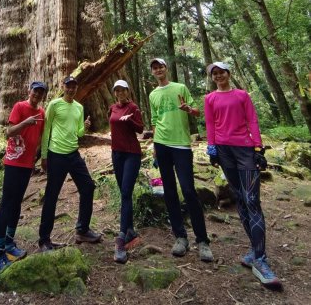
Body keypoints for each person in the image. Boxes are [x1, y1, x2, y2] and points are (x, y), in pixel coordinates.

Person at [204, 62, 281, 288]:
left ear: (229, 73)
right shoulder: (210, 99)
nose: (218, 76)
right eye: (214, 73)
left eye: (222, 72)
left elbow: (252, 120)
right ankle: (254, 251)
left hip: (245, 149)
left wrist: (258, 148)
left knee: (252, 200)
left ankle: (260, 259)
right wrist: (211, 147)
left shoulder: (242, 95)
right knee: (239, 198)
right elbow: (210, 123)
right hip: (224, 151)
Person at [149, 58, 213, 262]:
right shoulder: (152, 94)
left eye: (161, 67)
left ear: (166, 69)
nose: (158, 70)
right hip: (161, 144)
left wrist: (188, 109)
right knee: (169, 191)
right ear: (153, 72)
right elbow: (155, 121)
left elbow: (196, 111)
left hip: (181, 145)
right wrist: (155, 147)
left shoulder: (180, 87)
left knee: (188, 190)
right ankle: (180, 237)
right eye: (155, 68)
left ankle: (202, 241)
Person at [38, 75, 101, 251]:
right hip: (56, 155)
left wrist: (85, 127)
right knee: (51, 196)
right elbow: (46, 130)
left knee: (88, 187)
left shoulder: (79, 107)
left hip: (73, 154)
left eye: (74, 86)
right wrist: (44, 156)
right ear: (63, 86)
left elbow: (79, 134)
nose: (71, 89)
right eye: (68, 86)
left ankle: (82, 230)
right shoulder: (54, 104)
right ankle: (44, 240)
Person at [0, 81, 48, 272]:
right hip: (13, 162)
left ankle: (9, 244)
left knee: (17, 204)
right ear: (29, 91)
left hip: (26, 164)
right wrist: (25, 122)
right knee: (7, 204)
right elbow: (8, 132)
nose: (37, 94)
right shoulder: (19, 106)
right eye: (35, 91)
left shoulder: (42, 113)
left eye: (41, 92)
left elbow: (39, 137)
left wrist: (38, 156)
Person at [109, 79, 144, 264]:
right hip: (117, 154)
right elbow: (113, 124)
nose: (120, 93)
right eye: (117, 90)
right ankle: (130, 230)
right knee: (125, 194)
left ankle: (121, 238)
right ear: (115, 93)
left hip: (132, 154)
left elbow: (141, 129)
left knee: (125, 192)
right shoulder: (112, 108)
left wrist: (130, 120)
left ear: (128, 91)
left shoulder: (134, 108)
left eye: (123, 90)